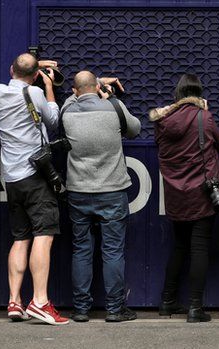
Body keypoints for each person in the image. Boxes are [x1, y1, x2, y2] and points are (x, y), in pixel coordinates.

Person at [0, 53, 67, 325]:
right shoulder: (36, 92)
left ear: (11, 70)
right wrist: (48, 87)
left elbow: (20, 73)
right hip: (36, 175)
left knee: (20, 238)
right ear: (36, 75)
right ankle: (40, 301)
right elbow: (53, 121)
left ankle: (14, 300)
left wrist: (36, 67)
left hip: (11, 177)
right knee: (43, 235)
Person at [60, 71, 141, 323]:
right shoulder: (114, 108)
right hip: (112, 191)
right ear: (96, 87)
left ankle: (82, 309)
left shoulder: (68, 112)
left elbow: (73, 97)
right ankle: (115, 310)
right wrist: (108, 95)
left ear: (74, 90)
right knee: (113, 251)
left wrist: (91, 88)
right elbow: (135, 129)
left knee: (81, 250)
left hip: (79, 192)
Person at [150, 73, 219, 323]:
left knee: (180, 246)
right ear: (200, 94)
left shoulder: (163, 120)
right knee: (199, 248)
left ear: (178, 94)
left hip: (175, 194)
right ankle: (195, 307)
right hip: (202, 195)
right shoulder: (203, 117)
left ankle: (166, 301)